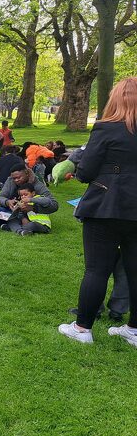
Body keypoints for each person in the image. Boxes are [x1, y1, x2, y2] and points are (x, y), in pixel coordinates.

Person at [59, 77, 137, 345]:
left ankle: (83, 328)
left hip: (107, 206)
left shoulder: (106, 128)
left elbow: (86, 171)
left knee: (97, 269)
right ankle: (134, 330)